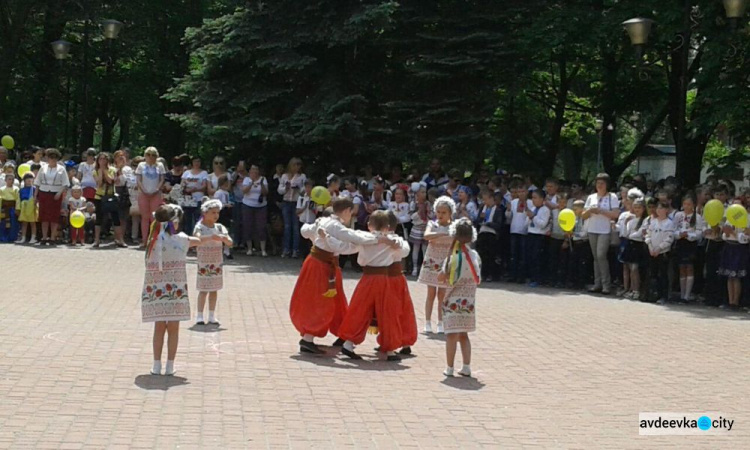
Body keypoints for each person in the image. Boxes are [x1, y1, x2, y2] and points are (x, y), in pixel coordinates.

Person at [291, 198, 389, 354]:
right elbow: (351, 238)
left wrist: (316, 229)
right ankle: (308, 338)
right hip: (321, 266)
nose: (352, 215)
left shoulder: (324, 222)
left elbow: (304, 230)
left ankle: (342, 333)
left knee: (337, 300)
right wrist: (377, 238)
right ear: (346, 211)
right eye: (351, 212)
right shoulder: (334, 225)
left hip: (323, 264)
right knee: (320, 301)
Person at [142, 204, 222, 376]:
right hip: (175, 289)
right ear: (175, 223)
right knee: (173, 328)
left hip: (156, 290)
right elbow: (198, 241)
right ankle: (170, 365)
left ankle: (156, 364)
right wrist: (213, 236)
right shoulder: (180, 239)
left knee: (159, 326)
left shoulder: (152, 241)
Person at [337, 210, 409, 361]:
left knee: (360, 309)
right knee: (387, 312)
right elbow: (404, 251)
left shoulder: (364, 238)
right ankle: (389, 349)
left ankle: (348, 344)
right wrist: (392, 241)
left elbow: (353, 245)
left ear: (370, 225)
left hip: (367, 278)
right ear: (387, 227)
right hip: (383, 279)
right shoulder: (392, 240)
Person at [439, 218, 480, 377]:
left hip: (452, 299)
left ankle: (449, 367)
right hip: (468, 301)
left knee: (451, 335)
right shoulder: (474, 256)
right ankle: (466, 366)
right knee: (464, 334)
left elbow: (442, 277)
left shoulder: (452, 257)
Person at [419, 196, 455, 334]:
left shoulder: (454, 226)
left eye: (444, 212)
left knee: (442, 294)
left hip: (445, 262)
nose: (440, 215)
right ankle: (427, 322)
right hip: (432, 261)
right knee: (431, 293)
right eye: (438, 212)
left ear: (450, 213)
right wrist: (440, 232)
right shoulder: (432, 224)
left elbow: (457, 240)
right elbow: (427, 235)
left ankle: (441, 322)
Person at [193, 199, 233, 326]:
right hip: (204, 262)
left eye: (217, 213)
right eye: (213, 212)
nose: (216, 215)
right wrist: (210, 237)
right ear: (205, 213)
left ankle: (211, 315)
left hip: (216, 263)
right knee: (203, 289)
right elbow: (196, 239)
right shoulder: (200, 226)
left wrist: (224, 238)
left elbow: (230, 242)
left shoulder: (220, 227)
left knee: (214, 289)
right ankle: (199, 315)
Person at [582, 173, 620, 295]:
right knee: (595, 257)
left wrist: (602, 211)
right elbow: (583, 215)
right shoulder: (591, 197)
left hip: (605, 230)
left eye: (602, 183)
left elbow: (615, 214)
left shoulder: (612, 197)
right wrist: (590, 210)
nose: (599, 185)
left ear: (607, 185)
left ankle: (606, 284)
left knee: (601, 255)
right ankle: (597, 283)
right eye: (597, 183)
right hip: (592, 229)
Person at [673, 194, 705, 302]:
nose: (687, 206)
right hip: (680, 243)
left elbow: (699, 232)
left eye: (689, 204)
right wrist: (679, 234)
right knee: (682, 267)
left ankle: (687, 294)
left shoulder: (698, 217)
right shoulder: (678, 215)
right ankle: (682, 294)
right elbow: (673, 229)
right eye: (685, 204)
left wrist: (690, 236)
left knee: (689, 267)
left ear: (693, 205)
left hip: (691, 244)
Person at [33, 148, 69, 245]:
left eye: (55, 158)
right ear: (47, 158)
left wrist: (59, 193)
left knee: (54, 217)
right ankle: (44, 237)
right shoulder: (43, 168)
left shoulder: (62, 169)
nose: (52, 160)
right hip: (43, 193)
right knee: (44, 216)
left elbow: (65, 184)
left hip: (55, 195)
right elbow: (37, 182)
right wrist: (35, 196)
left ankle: (52, 237)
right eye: (50, 158)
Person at [718, 200, 747, 310]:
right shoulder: (729, 219)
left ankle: (735, 302)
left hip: (738, 248)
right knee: (729, 276)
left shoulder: (746, 219)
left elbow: (745, 238)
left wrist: (734, 233)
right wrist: (726, 233)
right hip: (728, 246)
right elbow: (724, 236)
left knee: (736, 276)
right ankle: (730, 301)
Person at [93, 152, 126, 248]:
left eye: (104, 159)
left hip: (111, 197)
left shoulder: (112, 170)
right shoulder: (95, 171)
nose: (102, 161)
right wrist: (100, 172)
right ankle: (96, 240)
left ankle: (120, 240)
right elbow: (98, 184)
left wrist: (104, 171)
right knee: (99, 219)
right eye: (100, 159)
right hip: (99, 197)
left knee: (116, 218)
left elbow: (110, 180)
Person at [135, 147, 166, 248]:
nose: (151, 157)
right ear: (145, 155)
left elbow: (162, 179)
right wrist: (143, 190)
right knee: (144, 217)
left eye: (153, 155)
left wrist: (156, 190)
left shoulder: (160, 166)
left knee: (154, 217)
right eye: (148, 154)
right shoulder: (141, 165)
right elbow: (138, 179)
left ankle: (154, 240)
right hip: (143, 194)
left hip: (155, 194)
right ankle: (144, 240)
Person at [646, 202, 674, 303]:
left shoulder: (669, 223)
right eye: (657, 208)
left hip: (663, 253)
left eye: (661, 208)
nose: (658, 210)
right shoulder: (653, 221)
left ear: (666, 210)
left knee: (663, 274)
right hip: (652, 251)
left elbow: (669, 239)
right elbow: (648, 235)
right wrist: (650, 246)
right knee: (653, 274)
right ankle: (653, 294)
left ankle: (663, 296)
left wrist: (659, 248)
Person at [278, 157, 306, 258]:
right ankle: (286, 249)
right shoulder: (285, 176)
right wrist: (286, 188)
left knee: (295, 227)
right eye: (295, 165)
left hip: (296, 203)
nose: (296, 167)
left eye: (298, 165)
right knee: (287, 226)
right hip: (286, 202)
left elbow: (305, 191)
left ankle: (295, 250)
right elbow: (279, 190)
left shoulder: (302, 176)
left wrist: (298, 188)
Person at [622, 198, 648, 300]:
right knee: (630, 268)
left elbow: (640, 234)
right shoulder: (631, 219)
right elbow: (625, 233)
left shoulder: (646, 219)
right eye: (635, 207)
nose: (637, 210)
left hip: (639, 245)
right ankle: (632, 289)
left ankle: (637, 290)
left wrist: (631, 235)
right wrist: (625, 223)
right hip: (630, 244)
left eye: (639, 208)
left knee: (635, 268)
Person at [241, 164, 269, 256]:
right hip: (247, 205)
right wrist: (251, 183)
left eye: (256, 170)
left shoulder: (263, 179)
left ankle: (263, 249)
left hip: (261, 206)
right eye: (253, 170)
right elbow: (244, 191)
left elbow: (266, 193)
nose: (255, 172)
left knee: (261, 227)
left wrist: (261, 184)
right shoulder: (246, 179)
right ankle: (249, 248)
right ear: (250, 172)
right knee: (248, 226)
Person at [525, 189, 551, 288]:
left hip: (539, 236)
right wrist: (528, 217)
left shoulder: (545, 210)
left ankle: (538, 279)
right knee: (530, 257)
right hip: (531, 233)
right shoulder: (532, 208)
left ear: (542, 199)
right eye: (532, 198)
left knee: (537, 258)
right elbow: (526, 223)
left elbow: (542, 224)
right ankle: (532, 277)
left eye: (535, 198)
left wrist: (533, 217)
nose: (533, 200)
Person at [475, 189, 502, 282]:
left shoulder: (498, 210)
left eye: (486, 199)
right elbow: (477, 221)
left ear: (491, 199)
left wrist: (489, 223)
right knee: (481, 254)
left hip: (491, 233)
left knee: (491, 255)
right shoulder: (483, 208)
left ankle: (491, 274)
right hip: (482, 232)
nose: (485, 202)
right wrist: (481, 218)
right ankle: (483, 273)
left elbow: (499, 224)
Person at [506, 182, 530, 283]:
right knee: (513, 254)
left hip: (524, 232)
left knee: (523, 255)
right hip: (514, 230)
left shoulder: (530, 202)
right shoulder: (514, 202)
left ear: (527, 192)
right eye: (519, 192)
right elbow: (508, 217)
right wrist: (508, 210)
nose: (521, 194)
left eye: (523, 191)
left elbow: (530, 216)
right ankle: (513, 275)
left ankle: (521, 277)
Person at [181, 155, 208, 234]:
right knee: (188, 220)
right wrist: (186, 189)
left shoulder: (204, 173)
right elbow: (182, 184)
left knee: (198, 219)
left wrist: (195, 189)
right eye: (195, 161)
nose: (197, 163)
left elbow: (204, 186)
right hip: (188, 199)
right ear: (192, 162)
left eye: (198, 161)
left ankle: (198, 236)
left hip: (199, 198)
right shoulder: (186, 173)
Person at [408, 184, 431, 277]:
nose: (424, 194)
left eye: (425, 192)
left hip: (425, 228)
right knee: (416, 249)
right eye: (422, 192)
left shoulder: (428, 204)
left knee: (425, 249)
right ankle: (414, 268)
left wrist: (429, 212)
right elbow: (411, 217)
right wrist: (418, 212)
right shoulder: (414, 204)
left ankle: (425, 269)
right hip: (417, 228)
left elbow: (431, 215)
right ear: (417, 194)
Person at [296, 179, 320, 259]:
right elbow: (297, 211)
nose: (308, 189)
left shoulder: (316, 198)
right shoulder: (302, 197)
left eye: (310, 187)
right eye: (307, 187)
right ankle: (304, 258)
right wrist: (304, 207)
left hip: (312, 221)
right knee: (303, 242)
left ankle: (312, 258)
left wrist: (313, 208)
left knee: (311, 242)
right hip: (303, 221)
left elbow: (319, 211)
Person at [114, 150, 133, 242]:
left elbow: (127, 181)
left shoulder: (128, 169)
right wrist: (118, 169)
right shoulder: (112, 168)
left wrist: (121, 170)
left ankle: (122, 238)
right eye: (119, 156)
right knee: (116, 216)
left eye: (123, 156)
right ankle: (116, 237)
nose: (121, 157)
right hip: (115, 191)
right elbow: (115, 181)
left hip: (125, 192)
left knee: (124, 217)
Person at [16, 173, 37, 244]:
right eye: (27, 178)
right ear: (24, 180)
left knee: (32, 223)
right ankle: (23, 237)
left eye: (31, 178)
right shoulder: (21, 190)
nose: (29, 180)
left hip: (32, 207)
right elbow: (19, 199)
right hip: (24, 207)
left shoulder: (34, 189)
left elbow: (36, 198)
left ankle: (33, 237)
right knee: (24, 223)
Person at [0, 173, 19, 242]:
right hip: (4, 208)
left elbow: (18, 199)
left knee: (13, 223)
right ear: (5, 180)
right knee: (3, 223)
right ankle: (3, 237)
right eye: (9, 179)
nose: (11, 181)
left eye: (12, 179)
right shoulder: (1, 189)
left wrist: (17, 209)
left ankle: (12, 237)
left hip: (12, 208)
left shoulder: (16, 189)